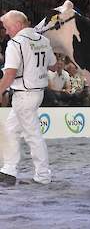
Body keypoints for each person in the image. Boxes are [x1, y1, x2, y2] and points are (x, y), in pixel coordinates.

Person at [0, 10, 57, 186]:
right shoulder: (44, 40)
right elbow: (54, 66)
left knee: (33, 136)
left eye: (7, 28)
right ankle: (8, 170)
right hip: (37, 92)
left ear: (17, 25)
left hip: (24, 94)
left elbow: (9, 74)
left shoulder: (15, 43)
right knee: (10, 130)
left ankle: (43, 175)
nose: (6, 32)